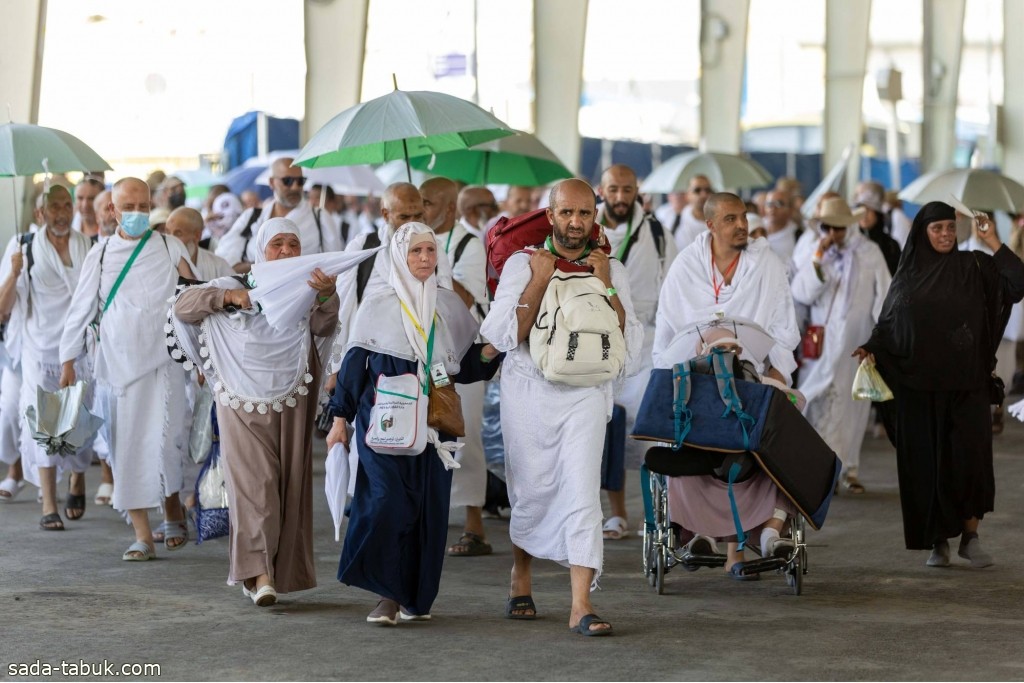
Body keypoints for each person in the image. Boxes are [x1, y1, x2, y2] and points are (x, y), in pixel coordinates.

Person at [481, 178, 643, 636]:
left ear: (596, 217)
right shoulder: (521, 263)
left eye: (585, 214)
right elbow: (504, 335)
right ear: (550, 216)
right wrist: (538, 277)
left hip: (586, 394)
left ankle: (581, 604)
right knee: (529, 488)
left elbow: (627, 341)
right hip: (530, 392)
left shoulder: (611, 266)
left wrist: (606, 284)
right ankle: (521, 576)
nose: (576, 222)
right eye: (567, 213)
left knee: (581, 491)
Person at [327, 221, 501, 625]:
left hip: (435, 427)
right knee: (386, 502)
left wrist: (494, 348)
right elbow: (354, 368)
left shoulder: (449, 305)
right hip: (383, 424)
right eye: (414, 252)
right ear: (398, 257)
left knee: (427, 510)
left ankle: (413, 597)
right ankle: (386, 594)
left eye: (429, 251)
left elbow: (469, 365)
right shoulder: (377, 305)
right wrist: (340, 419)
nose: (424, 259)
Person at [174, 217, 339, 606]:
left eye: (293, 244)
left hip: (293, 395)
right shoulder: (235, 284)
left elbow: (324, 326)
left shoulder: (309, 286)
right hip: (240, 400)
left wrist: (328, 296)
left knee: (288, 485)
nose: (285, 252)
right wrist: (230, 299)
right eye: (276, 244)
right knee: (255, 486)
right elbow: (184, 305)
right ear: (260, 249)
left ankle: (274, 575)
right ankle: (259, 574)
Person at [855, 202, 1024, 568]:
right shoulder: (908, 275)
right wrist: (871, 346)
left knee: (970, 461)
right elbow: (889, 324)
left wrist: (993, 240)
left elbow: (1017, 282)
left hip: (968, 385)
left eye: (950, 227)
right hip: (919, 388)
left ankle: (970, 537)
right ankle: (937, 542)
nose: (946, 234)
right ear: (922, 233)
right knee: (928, 466)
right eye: (938, 229)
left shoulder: (974, 266)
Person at [654, 192, 801, 577]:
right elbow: (669, 332)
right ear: (711, 225)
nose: (742, 225)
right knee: (685, 435)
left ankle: (770, 530)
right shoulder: (686, 266)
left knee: (787, 430)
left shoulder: (766, 264)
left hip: (753, 376)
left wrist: (779, 374)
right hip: (698, 378)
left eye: (743, 217)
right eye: (731, 219)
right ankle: (699, 531)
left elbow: (785, 327)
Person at [59, 177, 196, 561]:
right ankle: (141, 534)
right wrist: (67, 360)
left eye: (143, 206)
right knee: (126, 449)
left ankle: (171, 511)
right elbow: (81, 309)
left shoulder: (170, 245)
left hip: (164, 364)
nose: (137, 213)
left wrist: (205, 357)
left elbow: (195, 296)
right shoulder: (100, 255)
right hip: (118, 369)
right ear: (112, 211)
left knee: (167, 444)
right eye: (129, 207)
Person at [0, 186, 95, 528]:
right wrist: (14, 271)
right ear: (40, 214)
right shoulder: (23, 247)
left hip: (80, 348)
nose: (62, 211)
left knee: (80, 427)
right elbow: (2, 310)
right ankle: (49, 505)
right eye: (54, 206)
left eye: (66, 204)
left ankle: (78, 475)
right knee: (45, 426)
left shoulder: (88, 246)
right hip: (39, 349)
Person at [595, 164, 678, 539]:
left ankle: (656, 512)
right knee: (605, 429)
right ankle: (615, 513)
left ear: (637, 190)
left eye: (627, 189)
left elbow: (675, 289)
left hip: (646, 343)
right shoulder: (585, 227)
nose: (620, 197)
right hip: (597, 342)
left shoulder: (657, 233)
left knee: (650, 432)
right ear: (602, 189)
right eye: (613, 189)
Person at [792, 197, 892, 494]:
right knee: (814, 401)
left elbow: (884, 296)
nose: (832, 233)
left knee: (852, 405)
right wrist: (817, 263)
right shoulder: (815, 250)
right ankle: (818, 468)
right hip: (820, 340)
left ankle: (848, 468)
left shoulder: (869, 252)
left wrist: (878, 340)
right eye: (827, 227)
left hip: (855, 340)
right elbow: (801, 293)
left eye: (838, 227)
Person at [420, 177, 493, 557]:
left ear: (450, 209)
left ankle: (474, 525)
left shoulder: (469, 244)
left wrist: (436, 263)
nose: (421, 211)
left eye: (427, 204)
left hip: (462, 354)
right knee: (421, 435)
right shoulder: (411, 242)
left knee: (465, 439)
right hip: (422, 353)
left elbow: (465, 297)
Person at [216, 158, 340, 272]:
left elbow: (334, 266)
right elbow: (224, 263)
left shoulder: (320, 218)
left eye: (300, 181)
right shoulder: (252, 216)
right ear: (271, 182)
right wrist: (265, 265)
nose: (295, 187)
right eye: (288, 181)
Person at [165, 207, 234, 281]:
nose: (170, 239)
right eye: (167, 232)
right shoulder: (161, 263)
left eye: (178, 234)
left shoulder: (218, 265)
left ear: (197, 236)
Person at [854, 183, 901, 276]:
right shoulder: (852, 243)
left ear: (877, 214)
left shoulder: (891, 246)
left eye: (869, 210)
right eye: (860, 209)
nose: (864, 214)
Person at [673, 176, 715, 251]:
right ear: (687, 195)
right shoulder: (679, 223)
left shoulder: (721, 219)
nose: (704, 195)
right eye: (697, 190)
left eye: (708, 190)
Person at [763, 188, 800, 266]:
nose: (772, 208)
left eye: (779, 204)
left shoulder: (797, 235)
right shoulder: (754, 229)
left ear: (791, 209)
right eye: (769, 204)